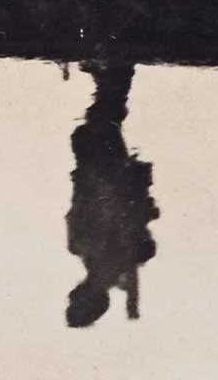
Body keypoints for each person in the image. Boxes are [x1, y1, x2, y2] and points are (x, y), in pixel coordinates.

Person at [63, 63, 157, 327]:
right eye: (76, 302)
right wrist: (102, 184)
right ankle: (117, 74)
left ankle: (111, 79)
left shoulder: (98, 266)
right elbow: (117, 222)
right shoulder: (108, 267)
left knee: (95, 131)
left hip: (97, 183)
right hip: (107, 184)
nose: (72, 295)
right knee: (99, 130)